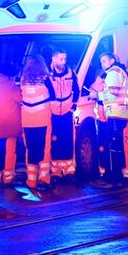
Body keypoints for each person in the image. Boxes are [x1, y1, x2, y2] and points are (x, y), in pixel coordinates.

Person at [92, 52, 128, 188]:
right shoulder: (119, 72)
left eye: (104, 61)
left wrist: (98, 95)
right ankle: (117, 176)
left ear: (112, 61)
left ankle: (113, 178)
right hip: (119, 113)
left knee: (113, 147)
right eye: (101, 62)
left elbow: (113, 93)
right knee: (117, 146)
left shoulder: (113, 73)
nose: (102, 64)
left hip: (115, 113)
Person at [19, 55, 55, 191]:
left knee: (30, 149)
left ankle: (31, 181)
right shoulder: (46, 78)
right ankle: (44, 179)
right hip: (43, 118)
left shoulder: (23, 79)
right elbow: (53, 95)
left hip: (27, 119)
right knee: (44, 149)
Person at [48, 48, 80, 181]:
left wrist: (73, 106)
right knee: (54, 141)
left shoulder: (71, 73)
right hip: (53, 112)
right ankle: (55, 171)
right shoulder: (48, 74)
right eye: (61, 59)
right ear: (53, 59)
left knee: (68, 140)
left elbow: (76, 90)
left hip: (67, 112)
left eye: (65, 59)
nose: (63, 62)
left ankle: (69, 171)